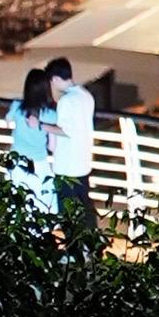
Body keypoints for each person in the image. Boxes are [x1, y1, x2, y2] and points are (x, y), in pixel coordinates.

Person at [43, 54, 98, 235]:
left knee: (68, 211)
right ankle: (91, 244)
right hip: (83, 162)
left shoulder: (66, 101)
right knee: (85, 207)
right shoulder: (86, 95)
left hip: (66, 166)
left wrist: (43, 126)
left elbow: (65, 130)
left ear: (57, 79)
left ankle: (74, 248)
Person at [6, 66, 59, 223]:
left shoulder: (17, 106)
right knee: (43, 203)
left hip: (16, 161)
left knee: (17, 204)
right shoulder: (50, 115)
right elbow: (52, 147)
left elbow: (8, 122)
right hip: (39, 162)